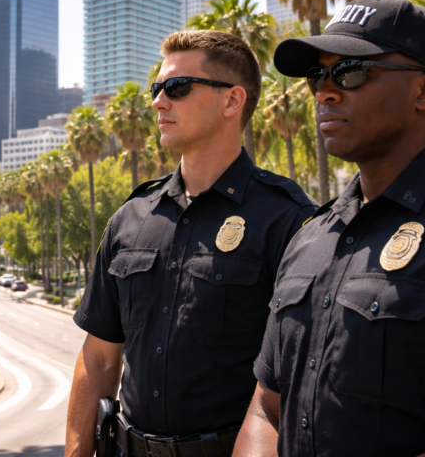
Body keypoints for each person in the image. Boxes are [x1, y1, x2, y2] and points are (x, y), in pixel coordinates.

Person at [234, 0, 425, 457]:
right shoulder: (311, 235)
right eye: (317, 77)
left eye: (350, 72)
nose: (325, 92)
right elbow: (266, 409)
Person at [66, 31, 317, 457]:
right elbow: (100, 358)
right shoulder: (131, 217)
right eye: (156, 88)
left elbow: (304, 378)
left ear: (232, 101)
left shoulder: (291, 219)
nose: (158, 102)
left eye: (177, 88)